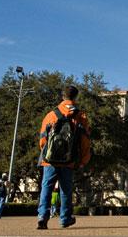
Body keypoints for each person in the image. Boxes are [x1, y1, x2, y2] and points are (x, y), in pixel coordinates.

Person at [36, 85, 91, 230]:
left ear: (62, 96)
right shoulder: (80, 116)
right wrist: (83, 160)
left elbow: (43, 139)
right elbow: (85, 141)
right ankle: (65, 219)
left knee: (46, 187)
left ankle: (42, 216)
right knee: (66, 190)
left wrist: (46, 153)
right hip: (69, 160)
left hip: (50, 161)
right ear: (75, 97)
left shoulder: (51, 115)